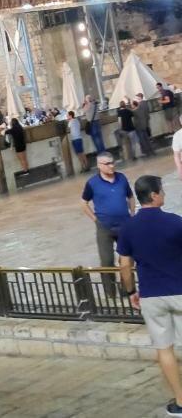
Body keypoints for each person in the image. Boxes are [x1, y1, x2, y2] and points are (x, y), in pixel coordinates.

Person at [117, 174, 182, 415]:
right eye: (162, 191)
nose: (164, 194)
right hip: (180, 291)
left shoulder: (128, 227)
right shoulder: (176, 222)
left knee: (164, 349)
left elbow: (124, 265)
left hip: (151, 296)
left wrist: (131, 291)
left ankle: (181, 402)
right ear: (154, 195)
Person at [81, 152, 135, 295]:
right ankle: (110, 294)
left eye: (113, 162)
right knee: (106, 261)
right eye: (107, 164)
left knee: (127, 260)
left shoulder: (122, 178)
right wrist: (95, 220)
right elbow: (83, 203)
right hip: (104, 227)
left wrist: (132, 214)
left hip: (125, 226)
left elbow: (130, 197)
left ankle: (127, 291)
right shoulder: (92, 183)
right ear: (99, 165)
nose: (111, 166)